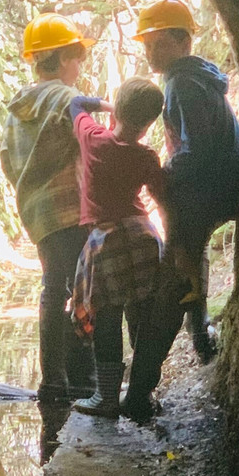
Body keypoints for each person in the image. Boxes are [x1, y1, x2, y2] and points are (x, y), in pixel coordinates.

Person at [135, 0, 239, 364]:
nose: (151, 52)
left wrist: (165, 176)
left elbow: (195, 147)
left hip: (205, 187)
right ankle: (199, 338)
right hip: (227, 180)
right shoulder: (200, 76)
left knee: (177, 266)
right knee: (191, 259)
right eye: (147, 44)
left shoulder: (181, 83)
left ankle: (149, 365)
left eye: (160, 43)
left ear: (184, 43)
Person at [1, 12, 98, 403]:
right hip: (73, 209)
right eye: (77, 55)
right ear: (59, 59)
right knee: (85, 293)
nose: (81, 63)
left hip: (39, 215)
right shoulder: (68, 98)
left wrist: (30, 193)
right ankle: (86, 376)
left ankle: (52, 381)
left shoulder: (16, 109)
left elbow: (7, 160)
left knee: (50, 290)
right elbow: (94, 143)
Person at [66, 78, 167, 418]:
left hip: (106, 240)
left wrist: (106, 106)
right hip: (142, 237)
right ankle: (141, 391)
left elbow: (76, 104)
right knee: (142, 315)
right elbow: (164, 196)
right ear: (150, 123)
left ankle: (106, 397)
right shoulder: (147, 156)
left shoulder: (95, 140)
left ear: (117, 110)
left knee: (106, 318)